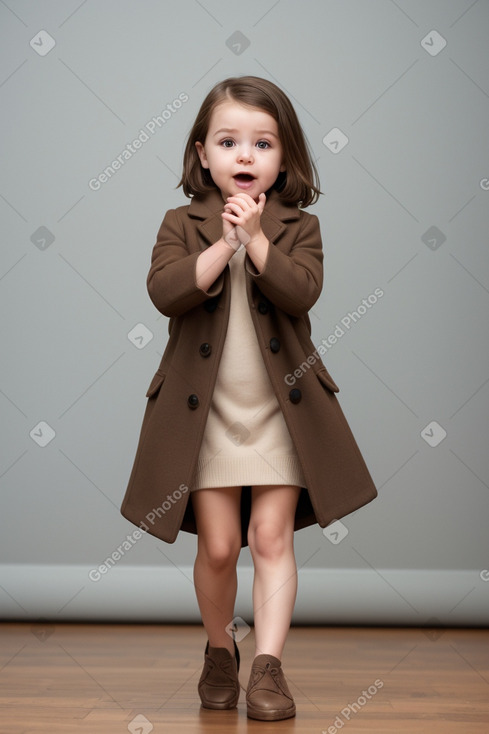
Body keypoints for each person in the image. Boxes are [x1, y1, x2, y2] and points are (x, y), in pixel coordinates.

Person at [120, 76, 377, 721]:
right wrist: (226, 243)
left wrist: (259, 239)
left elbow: (301, 293)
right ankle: (218, 651)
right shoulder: (181, 224)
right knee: (216, 545)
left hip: (278, 418)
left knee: (271, 538)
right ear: (202, 155)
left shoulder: (299, 227)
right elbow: (167, 291)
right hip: (202, 419)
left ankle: (269, 667)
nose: (244, 156)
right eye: (228, 141)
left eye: (262, 143)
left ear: (283, 158)